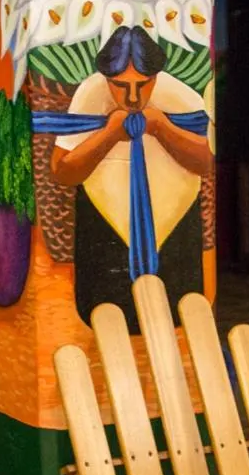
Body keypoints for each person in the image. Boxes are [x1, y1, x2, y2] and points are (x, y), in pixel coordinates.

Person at [50, 25, 213, 331]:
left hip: (175, 210)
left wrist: (162, 127)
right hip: (106, 210)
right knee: (104, 305)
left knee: (178, 305)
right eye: (121, 86)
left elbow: (205, 162)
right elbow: (63, 171)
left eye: (143, 84)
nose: (134, 97)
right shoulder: (91, 93)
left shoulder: (179, 95)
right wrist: (109, 134)